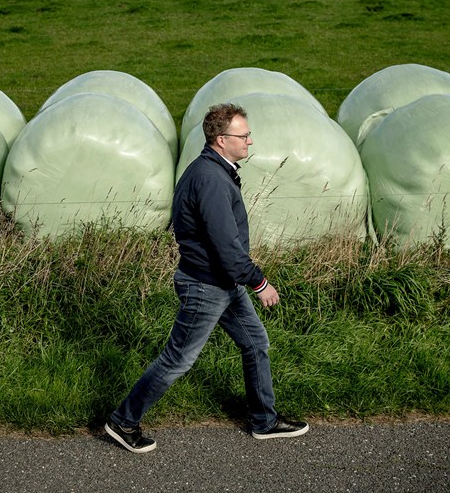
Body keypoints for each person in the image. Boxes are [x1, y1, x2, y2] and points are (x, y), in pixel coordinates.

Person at [105, 103, 309, 453]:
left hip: (222, 283)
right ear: (220, 139)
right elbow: (226, 247)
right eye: (242, 135)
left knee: (255, 342)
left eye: (248, 134)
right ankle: (123, 421)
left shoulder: (211, 169)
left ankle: (264, 420)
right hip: (207, 285)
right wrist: (258, 282)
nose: (249, 141)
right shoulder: (211, 179)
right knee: (177, 359)